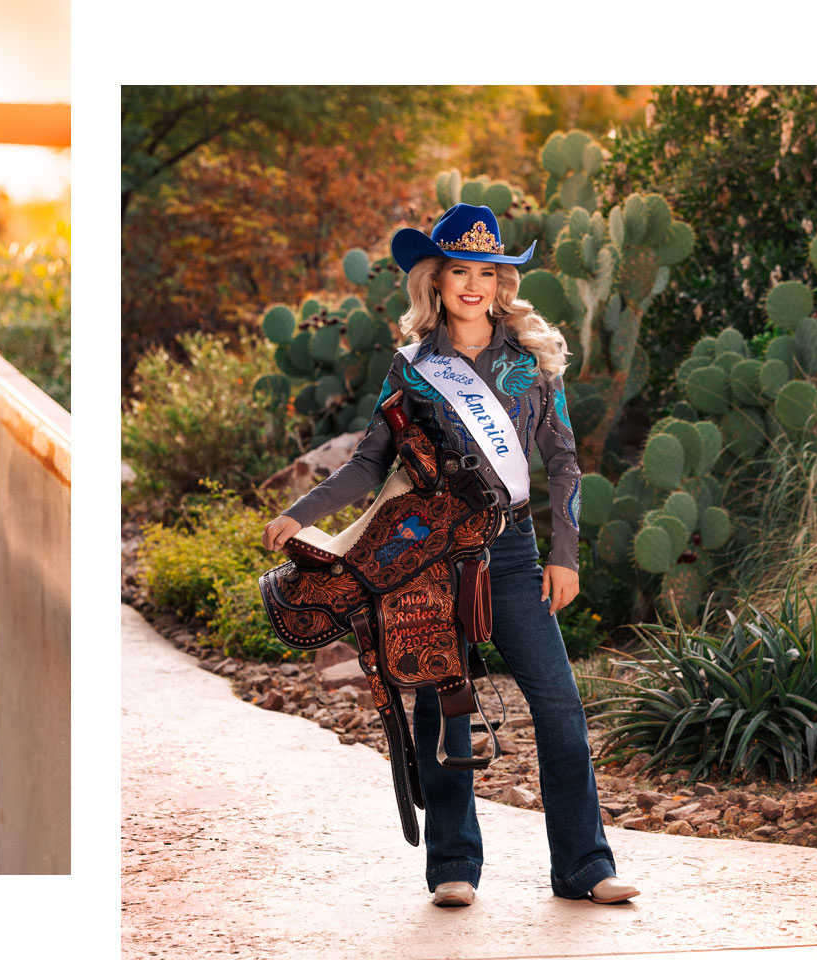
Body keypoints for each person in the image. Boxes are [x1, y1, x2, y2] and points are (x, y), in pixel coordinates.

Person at [261, 204, 639, 906]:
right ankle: (453, 867)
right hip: (431, 559)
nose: (473, 284)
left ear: (501, 284)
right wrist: (299, 513)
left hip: (516, 553)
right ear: (436, 282)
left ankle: (585, 867)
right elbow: (366, 466)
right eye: (458, 270)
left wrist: (566, 555)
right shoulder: (412, 370)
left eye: (486, 272)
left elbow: (564, 466)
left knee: (559, 707)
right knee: (443, 710)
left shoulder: (529, 364)